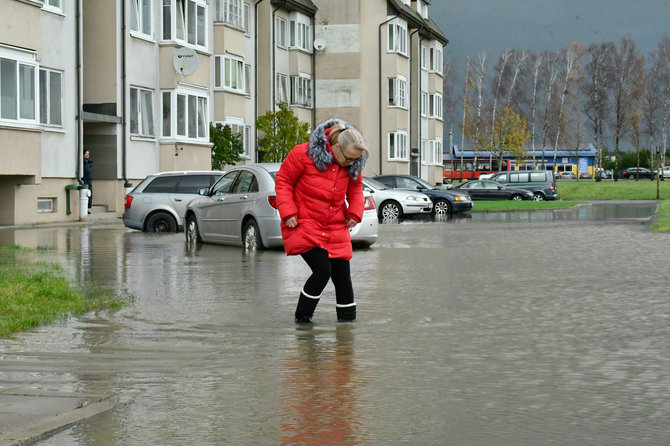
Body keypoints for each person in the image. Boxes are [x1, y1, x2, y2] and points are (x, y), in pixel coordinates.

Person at [275, 118, 369, 323]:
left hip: (335, 224)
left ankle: (347, 331)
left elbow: (355, 189)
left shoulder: (353, 162)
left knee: (343, 276)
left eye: (355, 160)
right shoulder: (303, 153)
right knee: (322, 270)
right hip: (303, 222)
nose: (351, 164)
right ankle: (303, 322)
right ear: (335, 147)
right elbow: (283, 182)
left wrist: (354, 213)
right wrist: (288, 212)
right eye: (349, 159)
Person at [82, 149, 93, 214]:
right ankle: (84, 209)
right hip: (85, 179)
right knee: (85, 193)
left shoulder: (88, 162)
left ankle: (87, 208)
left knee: (89, 193)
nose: (87, 155)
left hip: (89, 179)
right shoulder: (83, 162)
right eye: (86, 153)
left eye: (88, 154)